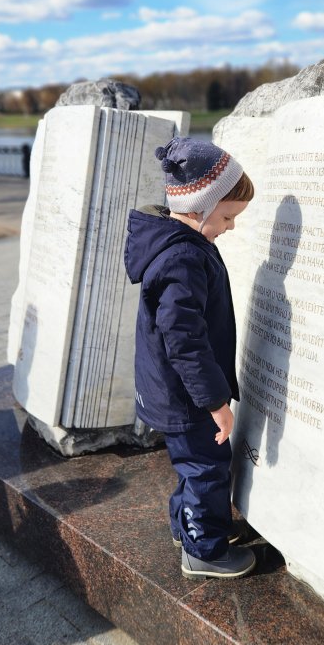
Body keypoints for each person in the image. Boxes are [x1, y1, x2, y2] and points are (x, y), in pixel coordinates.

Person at [124, 136, 256, 580]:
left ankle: (187, 527)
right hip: (188, 396)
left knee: (191, 464)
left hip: (174, 391)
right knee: (207, 467)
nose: (231, 227)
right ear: (200, 207)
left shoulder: (180, 244)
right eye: (227, 216)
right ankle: (205, 551)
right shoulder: (182, 256)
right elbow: (184, 340)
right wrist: (216, 403)